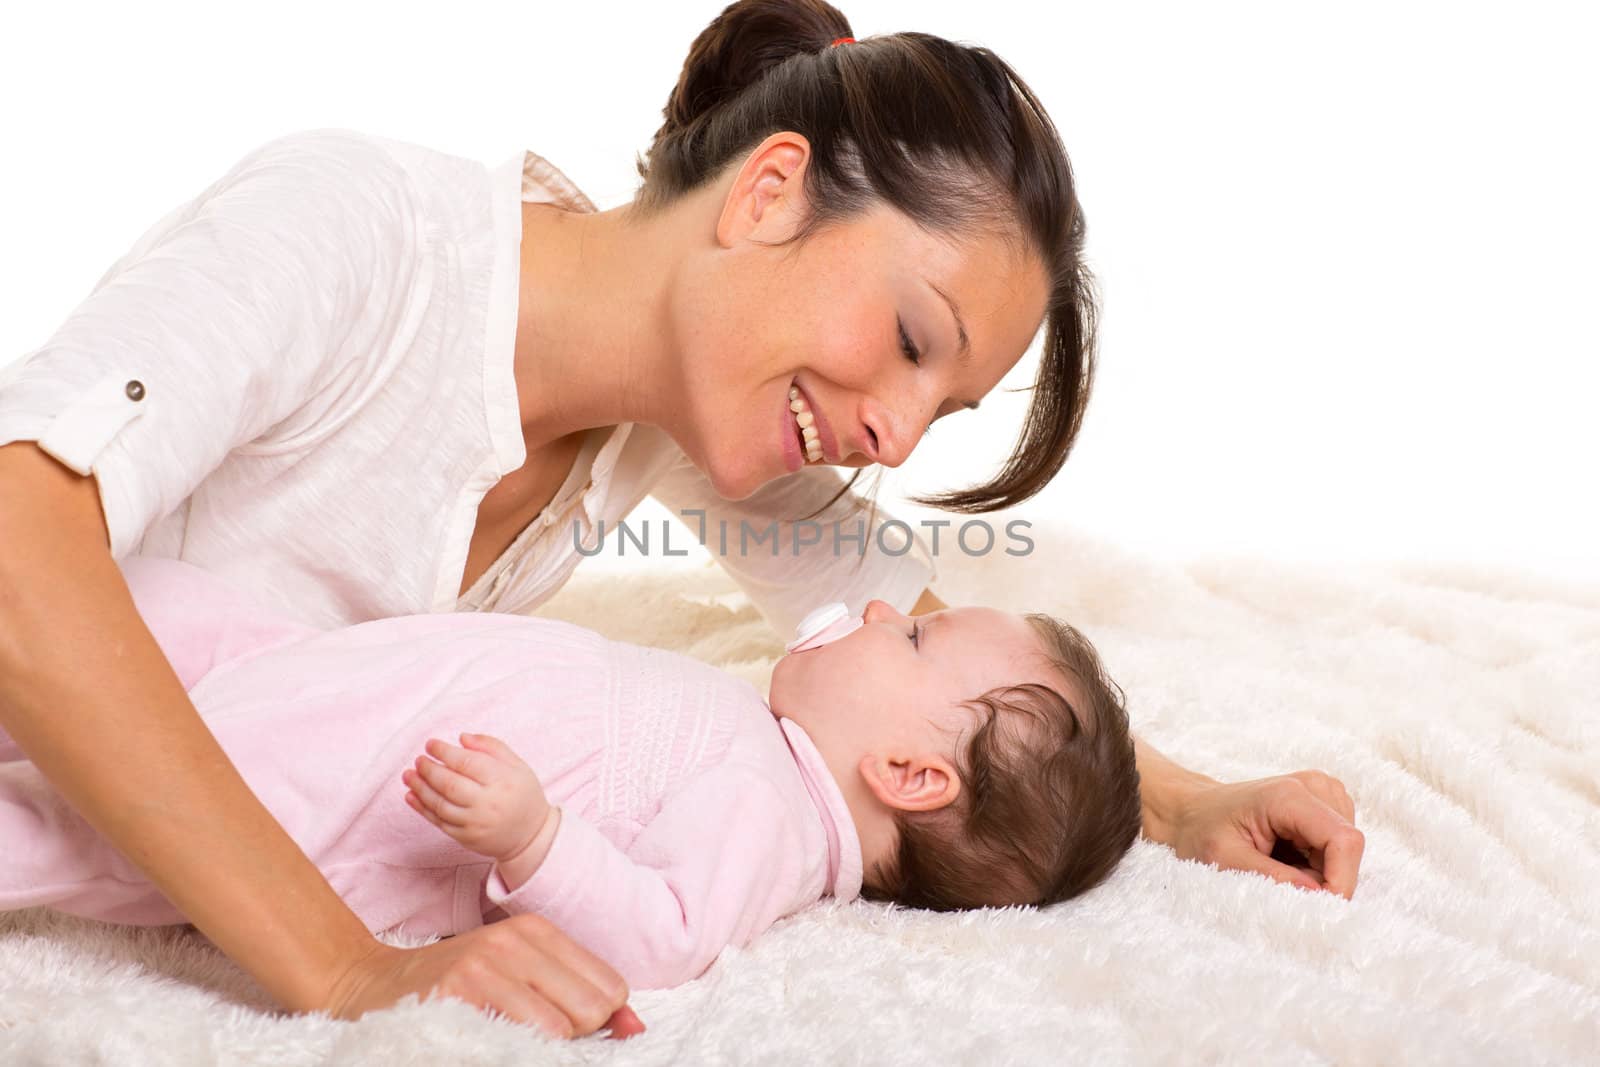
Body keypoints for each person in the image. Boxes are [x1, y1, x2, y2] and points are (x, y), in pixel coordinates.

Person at [0, 0, 1364, 1039]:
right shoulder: (359, 229)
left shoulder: (694, 421)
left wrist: (1187, 806)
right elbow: (16, 542)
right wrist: (350, 966)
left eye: (939, 408)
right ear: (767, 193)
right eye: (907, 338)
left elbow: (937, 667)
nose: (891, 430)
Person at [2, 556, 1141, 993]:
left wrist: (533, 838)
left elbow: (662, 931)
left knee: (107, 816)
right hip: (357, 690)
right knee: (153, 607)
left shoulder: (774, 820)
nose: (890, 610)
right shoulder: (771, 745)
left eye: (914, 644)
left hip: (361, 791)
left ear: (905, 772)